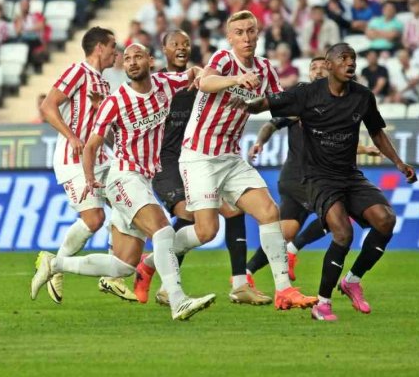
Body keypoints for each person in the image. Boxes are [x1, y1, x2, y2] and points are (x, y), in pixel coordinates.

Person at [30, 44, 215, 321]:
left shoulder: (165, 84)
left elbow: (192, 75)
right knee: (163, 231)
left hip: (143, 178)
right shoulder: (115, 101)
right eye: (126, 59)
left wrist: (200, 72)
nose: (131, 62)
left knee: (123, 266)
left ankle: (55, 263)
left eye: (138, 56)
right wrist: (91, 178)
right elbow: (92, 145)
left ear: (151, 61)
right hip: (124, 177)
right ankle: (178, 300)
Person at [238, 43, 416, 321]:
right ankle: (322, 304)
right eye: (343, 58)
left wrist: (398, 162)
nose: (350, 62)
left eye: (353, 58)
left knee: (385, 220)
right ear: (330, 65)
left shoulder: (363, 96)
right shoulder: (305, 95)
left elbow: (377, 132)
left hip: (349, 175)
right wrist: (243, 102)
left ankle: (352, 280)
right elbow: (266, 106)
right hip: (316, 178)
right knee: (342, 232)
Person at [177, 11, 317, 310]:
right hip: (199, 156)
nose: (246, 37)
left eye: (251, 31)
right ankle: (155, 258)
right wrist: (237, 80)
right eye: (239, 32)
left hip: (230, 157)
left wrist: (308, 106)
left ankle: (284, 290)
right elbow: (205, 83)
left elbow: (279, 105)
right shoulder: (224, 61)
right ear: (230, 38)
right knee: (206, 231)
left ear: (258, 33)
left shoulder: (266, 69)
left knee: (269, 211)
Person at [135, 30, 267, 306]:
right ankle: (153, 271)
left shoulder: (204, 79)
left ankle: (240, 283)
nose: (182, 48)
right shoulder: (158, 83)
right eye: (175, 44)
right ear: (164, 49)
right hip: (166, 163)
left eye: (186, 43)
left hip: (199, 156)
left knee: (233, 210)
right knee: (191, 214)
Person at [245, 58, 383, 280]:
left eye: (322, 67)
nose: (318, 71)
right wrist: (260, 142)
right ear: (308, 74)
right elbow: (271, 123)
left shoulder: (335, 104)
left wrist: (365, 150)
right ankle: (290, 253)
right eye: (313, 68)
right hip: (304, 179)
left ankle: (246, 272)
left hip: (302, 179)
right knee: (339, 217)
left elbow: (336, 143)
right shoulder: (302, 100)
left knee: (286, 232)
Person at [36, 27, 120, 304]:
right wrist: (71, 135)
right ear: (98, 48)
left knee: (128, 203)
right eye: (112, 47)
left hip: (101, 158)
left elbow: (100, 127)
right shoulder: (77, 72)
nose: (116, 53)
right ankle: (56, 264)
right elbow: (48, 107)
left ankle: (113, 274)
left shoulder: (104, 84)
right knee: (94, 219)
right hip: (73, 159)